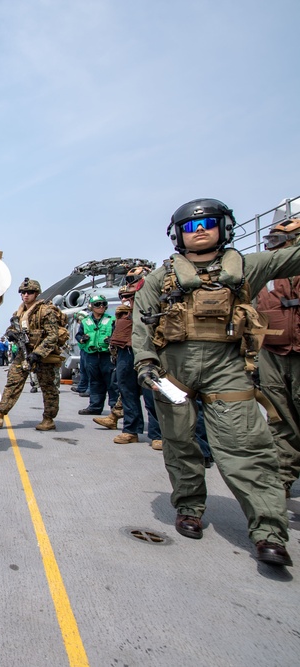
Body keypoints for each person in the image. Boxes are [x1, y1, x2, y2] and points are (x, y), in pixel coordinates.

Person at [133, 198, 300, 567]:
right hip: (174, 368)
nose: (200, 230)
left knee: (246, 446)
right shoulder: (162, 278)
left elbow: (293, 257)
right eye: (191, 227)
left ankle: (268, 531)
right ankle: (189, 507)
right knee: (179, 443)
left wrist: (293, 231)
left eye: (208, 223)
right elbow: (143, 325)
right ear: (178, 235)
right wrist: (145, 363)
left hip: (227, 366)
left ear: (224, 227)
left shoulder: (246, 267)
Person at [0, 278, 65, 431]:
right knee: (13, 381)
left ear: (36, 294)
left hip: (43, 355)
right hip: (23, 352)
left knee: (48, 387)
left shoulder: (45, 311)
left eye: (30, 292)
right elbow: (11, 328)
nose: (26, 295)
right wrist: (11, 333)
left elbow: (52, 336)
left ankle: (49, 418)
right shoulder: (19, 313)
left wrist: (38, 354)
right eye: (23, 292)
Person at [255, 217, 300, 497]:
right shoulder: (266, 274)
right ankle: (281, 478)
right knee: (279, 418)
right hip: (272, 352)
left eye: (278, 241)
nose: (273, 247)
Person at [94, 267, 155, 444]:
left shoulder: (153, 304)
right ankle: (130, 431)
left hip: (147, 353)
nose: (126, 299)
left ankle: (156, 434)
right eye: (124, 297)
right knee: (127, 393)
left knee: (151, 396)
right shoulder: (124, 311)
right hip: (124, 354)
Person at [76, 294, 116, 415]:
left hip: (106, 355)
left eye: (103, 304)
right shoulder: (85, 321)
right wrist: (82, 338)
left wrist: (111, 340)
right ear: (91, 307)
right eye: (97, 304)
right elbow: (78, 335)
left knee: (112, 382)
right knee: (94, 382)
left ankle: (115, 408)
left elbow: (116, 334)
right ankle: (95, 407)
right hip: (91, 355)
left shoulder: (111, 320)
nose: (101, 307)